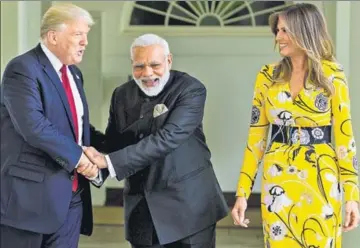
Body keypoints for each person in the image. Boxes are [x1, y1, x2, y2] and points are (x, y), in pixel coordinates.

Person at [231, 3, 359, 248]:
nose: (278, 37)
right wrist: (242, 194)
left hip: (321, 178)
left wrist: (352, 197)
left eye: (285, 31)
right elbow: (256, 139)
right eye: (277, 31)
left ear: (305, 31)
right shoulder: (267, 76)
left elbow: (345, 139)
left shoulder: (333, 75)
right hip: (277, 179)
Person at [84, 33, 229, 248]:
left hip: (188, 208)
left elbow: (167, 138)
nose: (147, 73)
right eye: (139, 66)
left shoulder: (190, 89)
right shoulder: (121, 94)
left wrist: (109, 163)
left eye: (154, 65)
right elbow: (115, 144)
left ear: (169, 60)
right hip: (142, 212)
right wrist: (80, 131)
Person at [0, 3, 105, 248]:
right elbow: (34, 126)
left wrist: (109, 152)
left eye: (86, 35)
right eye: (78, 34)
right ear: (53, 36)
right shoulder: (22, 69)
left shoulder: (74, 74)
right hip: (29, 204)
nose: (85, 42)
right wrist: (81, 159)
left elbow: (77, 127)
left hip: (72, 200)